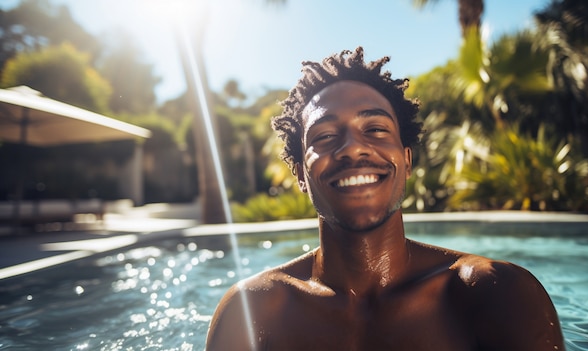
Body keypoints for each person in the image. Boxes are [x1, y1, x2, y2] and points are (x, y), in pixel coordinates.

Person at [205, 47, 564, 351]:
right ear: (300, 173)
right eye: (325, 135)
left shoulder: (494, 292)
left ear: (406, 161)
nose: (353, 148)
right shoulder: (252, 312)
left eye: (375, 129)